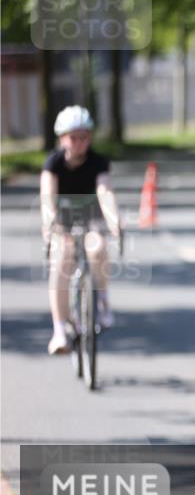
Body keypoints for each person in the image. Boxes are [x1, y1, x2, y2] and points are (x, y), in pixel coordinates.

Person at [41, 106, 122, 355]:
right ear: (62, 138)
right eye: (73, 137)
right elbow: (47, 196)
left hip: (91, 218)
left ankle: (102, 300)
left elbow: (104, 191)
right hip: (62, 221)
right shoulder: (53, 163)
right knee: (62, 258)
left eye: (84, 137)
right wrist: (50, 221)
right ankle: (59, 331)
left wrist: (114, 220)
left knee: (97, 247)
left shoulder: (97, 162)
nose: (79, 143)